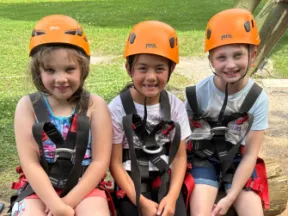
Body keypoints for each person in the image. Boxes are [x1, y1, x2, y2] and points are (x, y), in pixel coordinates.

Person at [11, 14, 112, 216]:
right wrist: (55, 204)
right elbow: (30, 162)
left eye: (69, 69)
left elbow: (100, 162)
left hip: (85, 185)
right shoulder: (28, 106)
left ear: (82, 68)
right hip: (40, 187)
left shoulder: (95, 106)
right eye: (50, 70)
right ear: (38, 71)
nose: (61, 79)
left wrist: (68, 202)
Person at [185, 8, 269, 216]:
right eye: (221, 57)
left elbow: (251, 154)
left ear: (253, 54)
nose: (230, 65)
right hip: (203, 159)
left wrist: (230, 197)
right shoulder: (197, 95)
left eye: (238, 55)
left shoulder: (257, 98)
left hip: (239, 160)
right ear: (211, 60)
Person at [108, 20, 191, 216]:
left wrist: (171, 197)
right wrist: (141, 201)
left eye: (159, 69)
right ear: (129, 69)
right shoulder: (117, 109)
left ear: (171, 70)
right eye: (143, 68)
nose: (151, 77)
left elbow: (179, 156)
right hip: (130, 183)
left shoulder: (175, 108)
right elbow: (115, 163)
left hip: (164, 179)